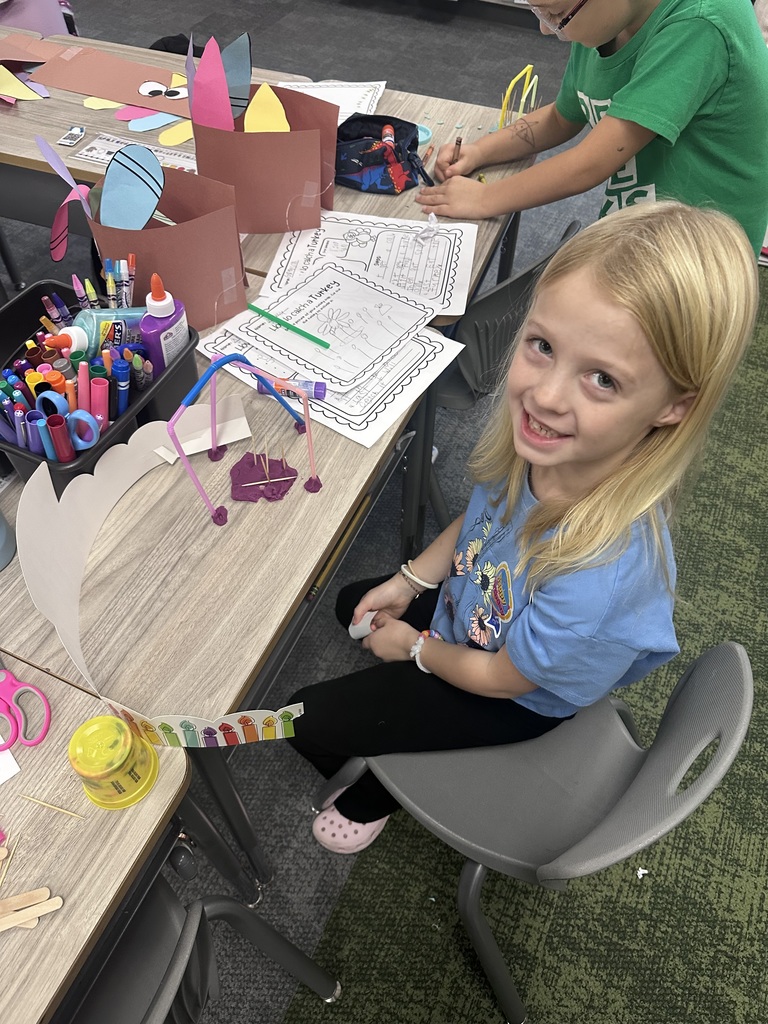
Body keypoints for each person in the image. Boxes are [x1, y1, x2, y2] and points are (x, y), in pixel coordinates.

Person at [286, 202, 758, 855]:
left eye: (601, 379)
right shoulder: (549, 447)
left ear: (675, 404)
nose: (545, 396)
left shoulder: (604, 576)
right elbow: (480, 520)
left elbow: (505, 679)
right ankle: (404, 683)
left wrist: (417, 651)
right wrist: (410, 578)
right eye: (542, 347)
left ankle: (380, 791)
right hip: (479, 609)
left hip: (512, 693)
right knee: (353, 604)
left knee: (306, 721)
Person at [415, 0, 768, 257]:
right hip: (638, 225)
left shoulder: (700, 22)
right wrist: (481, 150)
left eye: (554, 14)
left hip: (698, 257)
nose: (545, 28)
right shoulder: (607, 20)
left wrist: (485, 198)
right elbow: (562, 117)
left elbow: (591, 163)